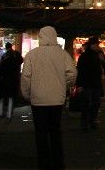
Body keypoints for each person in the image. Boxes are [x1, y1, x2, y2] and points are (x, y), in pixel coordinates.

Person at [21, 26, 77, 170]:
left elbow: (26, 77)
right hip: (57, 99)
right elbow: (72, 74)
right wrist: (64, 86)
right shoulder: (63, 54)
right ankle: (58, 162)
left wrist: (27, 93)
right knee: (55, 131)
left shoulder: (32, 55)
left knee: (40, 133)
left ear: (40, 37)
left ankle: (43, 163)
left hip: (38, 99)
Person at [76, 37, 104, 132]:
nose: (97, 46)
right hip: (87, 84)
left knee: (94, 104)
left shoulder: (96, 55)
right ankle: (86, 123)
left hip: (94, 83)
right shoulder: (85, 56)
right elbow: (81, 71)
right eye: (96, 44)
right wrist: (79, 85)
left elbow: (101, 68)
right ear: (92, 45)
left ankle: (91, 122)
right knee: (87, 104)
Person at [0, 42, 24, 119]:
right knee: (11, 97)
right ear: (11, 47)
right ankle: (9, 114)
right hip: (13, 78)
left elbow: (0, 68)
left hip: (4, 79)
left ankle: (0, 112)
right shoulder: (16, 54)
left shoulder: (4, 56)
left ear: (6, 47)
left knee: (2, 97)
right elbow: (21, 61)